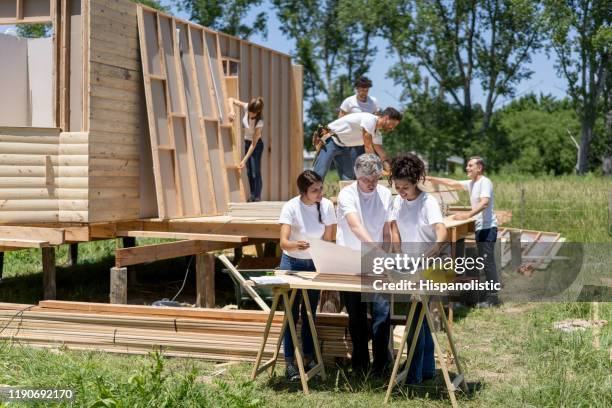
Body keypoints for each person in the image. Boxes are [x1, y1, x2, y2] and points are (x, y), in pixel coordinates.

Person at [389, 154, 448, 384]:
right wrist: (396, 250)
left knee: (415, 317)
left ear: (415, 182)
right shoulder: (398, 201)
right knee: (420, 317)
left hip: (433, 264)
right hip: (410, 263)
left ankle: (413, 376)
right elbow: (395, 227)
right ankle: (427, 369)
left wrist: (436, 247)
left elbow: (441, 230)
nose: (401, 191)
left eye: (405, 187)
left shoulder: (428, 202)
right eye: (397, 186)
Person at [336, 154, 393, 374]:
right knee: (356, 315)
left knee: (382, 313)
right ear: (357, 176)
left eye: (375, 179)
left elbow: (387, 229)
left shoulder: (385, 193)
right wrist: (377, 250)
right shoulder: (347, 194)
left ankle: (381, 364)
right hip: (351, 261)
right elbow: (355, 226)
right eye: (367, 180)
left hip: (377, 261)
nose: (372, 184)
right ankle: (359, 363)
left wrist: (386, 253)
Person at [278, 170, 337, 381]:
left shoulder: (327, 206)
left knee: (310, 312)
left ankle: (309, 358)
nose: (320, 193)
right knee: (290, 315)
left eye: (321, 188)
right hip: (291, 262)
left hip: (314, 263)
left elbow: (329, 239)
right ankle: (290, 363)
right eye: (315, 190)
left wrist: (321, 254)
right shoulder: (291, 206)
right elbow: (283, 242)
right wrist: (296, 245)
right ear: (303, 191)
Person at [427, 156, 500, 307]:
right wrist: (430, 178)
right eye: (467, 166)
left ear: (479, 168)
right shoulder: (471, 183)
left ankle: (493, 299)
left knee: (488, 263)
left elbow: (484, 202)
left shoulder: (484, 182)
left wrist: (467, 215)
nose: (467, 168)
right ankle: (481, 296)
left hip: (488, 228)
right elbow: (452, 183)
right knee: (484, 262)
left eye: (470, 166)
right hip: (481, 227)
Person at [312, 108, 402, 180]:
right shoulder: (370, 120)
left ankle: (346, 202)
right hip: (330, 141)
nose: (392, 128)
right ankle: (308, 201)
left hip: (343, 147)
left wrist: (390, 170)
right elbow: (368, 147)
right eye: (393, 124)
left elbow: (383, 155)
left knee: (348, 179)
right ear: (386, 118)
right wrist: (378, 169)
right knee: (318, 175)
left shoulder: (377, 134)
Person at [228, 96, 264, 202]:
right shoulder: (247, 107)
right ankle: (252, 194)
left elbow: (254, 143)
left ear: (257, 112)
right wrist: (231, 111)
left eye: (252, 113)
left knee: (255, 171)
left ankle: (257, 196)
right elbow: (231, 99)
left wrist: (244, 159)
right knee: (249, 171)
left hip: (256, 146)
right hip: (247, 143)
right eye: (249, 111)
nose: (249, 113)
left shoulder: (259, 122)